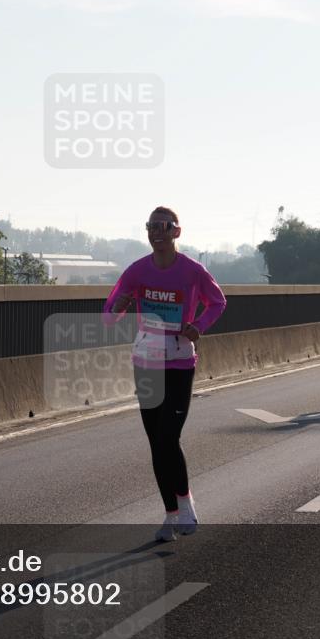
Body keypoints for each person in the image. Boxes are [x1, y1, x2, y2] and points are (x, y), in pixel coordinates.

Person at [103, 207, 226, 542]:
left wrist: (198, 326)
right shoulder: (137, 271)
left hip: (179, 362)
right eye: (151, 226)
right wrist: (120, 306)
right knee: (156, 443)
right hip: (146, 361)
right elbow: (108, 316)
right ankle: (170, 515)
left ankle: (186, 507)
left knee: (169, 437)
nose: (156, 232)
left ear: (177, 232)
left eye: (163, 226)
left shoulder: (192, 271)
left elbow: (218, 302)